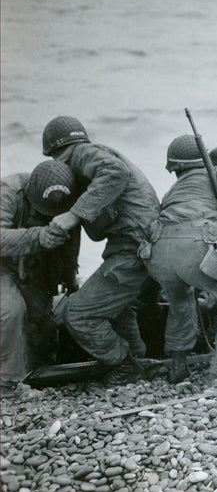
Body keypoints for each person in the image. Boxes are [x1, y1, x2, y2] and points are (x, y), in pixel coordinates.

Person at [43, 116, 161, 385]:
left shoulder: (82, 153)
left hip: (134, 248)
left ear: (56, 152)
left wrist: (73, 214)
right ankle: (137, 359)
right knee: (119, 307)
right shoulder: (94, 157)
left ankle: (124, 365)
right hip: (138, 246)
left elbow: (115, 173)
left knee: (78, 315)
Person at [143, 134, 217, 383]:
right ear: (202, 158)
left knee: (180, 301)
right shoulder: (215, 172)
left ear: (175, 168)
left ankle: (178, 365)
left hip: (159, 251)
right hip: (197, 245)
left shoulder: (173, 190)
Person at [1, 160, 80, 394]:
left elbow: (71, 237)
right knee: (9, 310)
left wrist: (68, 275)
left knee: (42, 323)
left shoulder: (68, 198)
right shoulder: (8, 192)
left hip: (30, 264)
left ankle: (38, 376)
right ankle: (7, 386)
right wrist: (37, 237)